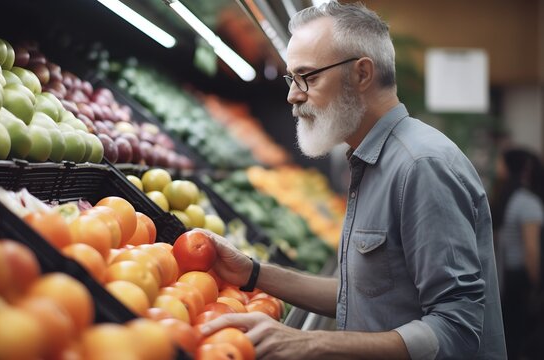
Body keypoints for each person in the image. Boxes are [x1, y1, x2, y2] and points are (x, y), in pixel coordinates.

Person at [196, 2, 507, 359]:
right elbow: (360, 295)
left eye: (307, 77)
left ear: (361, 74)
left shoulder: (421, 165)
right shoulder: (370, 162)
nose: (292, 95)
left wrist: (309, 342)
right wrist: (252, 272)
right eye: (291, 78)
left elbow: (457, 329)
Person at [491, 148, 543, 359]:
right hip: (520, 279)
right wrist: (536, 285)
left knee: (509, 338)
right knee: (524, 339)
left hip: (502, 278)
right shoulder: (527, 202)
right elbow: (531, 250)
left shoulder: (505, 199)